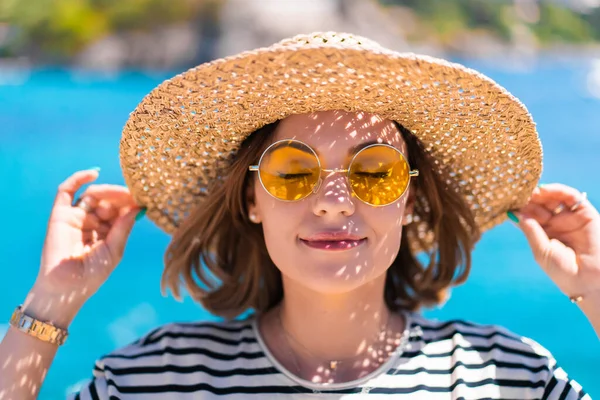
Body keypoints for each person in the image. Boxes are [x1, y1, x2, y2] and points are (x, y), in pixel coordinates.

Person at [0, 32, 597, 400]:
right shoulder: (154, 379)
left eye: (374, 171)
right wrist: (52, 301)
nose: (334, 199)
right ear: (252, 200)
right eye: (293, 171)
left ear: (410, 198)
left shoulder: (506, 376)